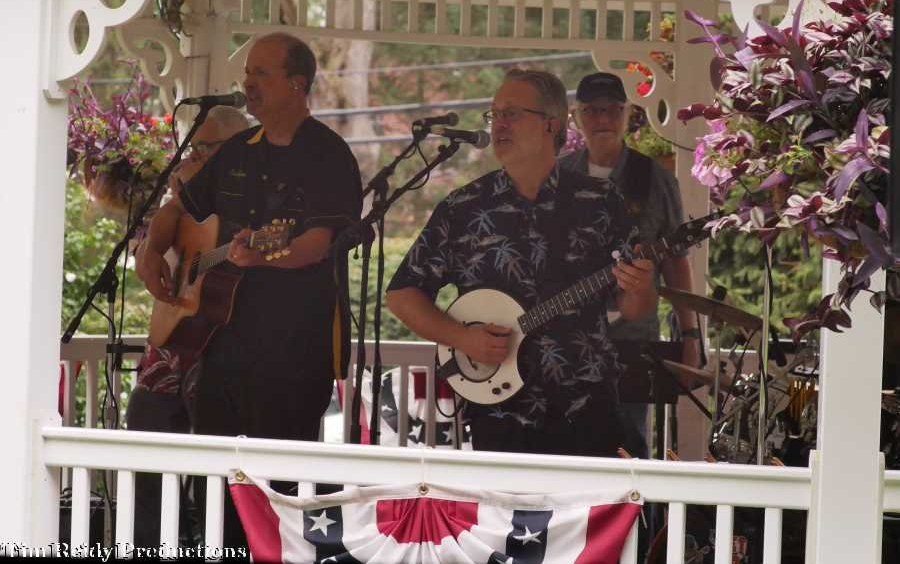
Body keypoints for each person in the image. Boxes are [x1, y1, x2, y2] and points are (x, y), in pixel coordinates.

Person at [136, 32, 362, 550]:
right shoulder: (238, 150)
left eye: (262, 73)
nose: (248, 83)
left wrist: (263, 256)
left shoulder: (327, 154)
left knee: (277, 489)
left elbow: (317, 243)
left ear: (297, 84)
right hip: (221, 346)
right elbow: (179, 209)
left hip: (292, 351)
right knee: (217, 483)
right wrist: (152, 249)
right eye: (248, 73)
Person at [385, 69, 656, 456]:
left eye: (511, 113)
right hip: (500, 415)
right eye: (494, 114)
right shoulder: (464, 208)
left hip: (587, 408)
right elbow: (402, 294)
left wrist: (641, 287)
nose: (498, 124)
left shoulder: (601, 201)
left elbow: (634, 307)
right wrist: (463, 338)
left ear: (551, 124)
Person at [559, 72, 703, 455]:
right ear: (576, 117)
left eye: (613, 109)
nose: (603, 119)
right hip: (564, 341)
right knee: (563, 447)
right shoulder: (557, 176)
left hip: (631, 339)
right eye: (592, 110)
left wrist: (690, 335)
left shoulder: (654, 179)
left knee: (627, 448)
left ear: (628, 114)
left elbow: (676, 262)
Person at [126, 105, 249, 549]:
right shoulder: (189, 191)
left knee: (214, 468)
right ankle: (151, 545)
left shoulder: (253, 190)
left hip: (225, 347)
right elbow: (159, 232)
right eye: (192, 147)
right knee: (146, 435)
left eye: (204, 147)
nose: (192, 156)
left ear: (234, 147)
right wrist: (151, 251)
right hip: (171, 345)